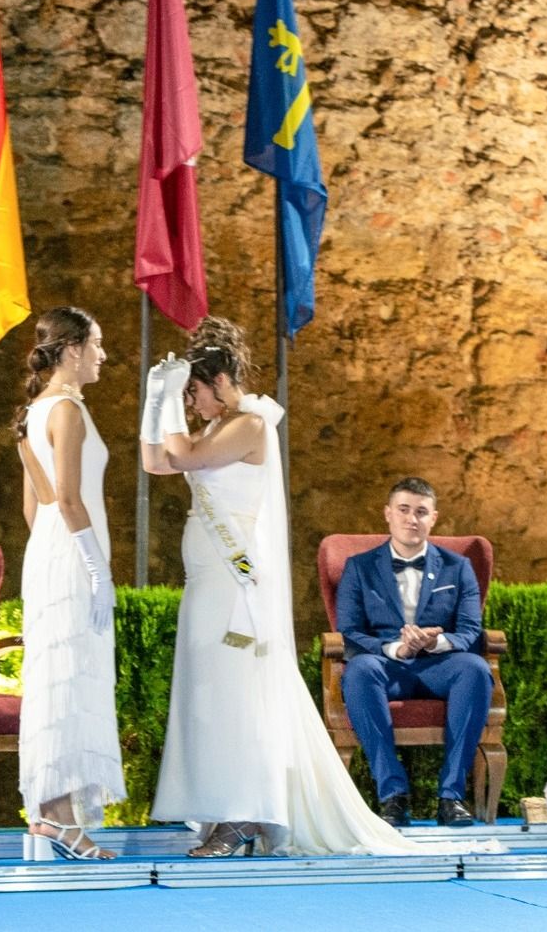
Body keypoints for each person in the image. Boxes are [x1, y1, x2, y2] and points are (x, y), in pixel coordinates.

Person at [141, 317, 456, 858]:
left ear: (218, 382)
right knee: (209, 697)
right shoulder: (215, 428)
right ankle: (225, 807)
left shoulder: (252, 424)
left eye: (194, 393)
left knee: (239, 695)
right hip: (208, 586)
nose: (191, 406)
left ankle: (244, 815)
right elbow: (156, 461)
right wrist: (155, 399)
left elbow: (185, 457)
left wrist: (170, 402)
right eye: (184, 398)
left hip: (239, 593)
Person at [15, 306, 126, 861]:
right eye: (98, 344)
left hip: (47, 554)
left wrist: (58, 554)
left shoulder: (33, 413)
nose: (104, 355)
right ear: (73, 349)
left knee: (58, 678)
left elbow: (35, 510)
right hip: (73, 556)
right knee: (67, 678)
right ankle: (59, 820)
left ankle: (56, 815)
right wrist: (94, 568)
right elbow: (69, 496)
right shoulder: (68, 412)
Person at [333, 477, 493, 828]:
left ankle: (451, 797)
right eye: (404, 510)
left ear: (433, 518)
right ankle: (393, 795)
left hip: (440, 664)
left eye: (421, 512)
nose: (412, 519)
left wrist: (434, 642)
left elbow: (469, 630)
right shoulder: (359, 568)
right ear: (388, 514)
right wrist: (396, 647)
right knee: (359, 670)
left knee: (476, 669)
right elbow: (350, 632)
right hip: (386, 664)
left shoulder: (457, 567)